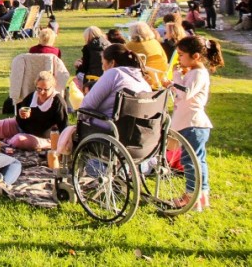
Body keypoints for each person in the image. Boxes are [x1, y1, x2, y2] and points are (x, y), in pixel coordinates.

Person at [162, 36, 223, 211]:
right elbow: (182, 92)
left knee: (191, 162)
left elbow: (186, 93)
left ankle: (191, 195)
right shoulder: (193, 72)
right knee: (196, 160)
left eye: (181, 55)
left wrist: (174, 78)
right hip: (189, 122)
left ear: (195, 56)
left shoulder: (198, 73)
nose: (179, 59)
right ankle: (200, 196)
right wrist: (175, 81)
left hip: (193, 124)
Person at [56, 44, 153, 155]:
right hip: (140, 139)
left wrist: (80, 119)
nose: (102, 68)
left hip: (112, 134)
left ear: (112, 63)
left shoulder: (114, 74)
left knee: (70, 132)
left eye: (103, 63)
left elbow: (87, 105)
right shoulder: (143, 82)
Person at [0, 72, 67, 150]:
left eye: (46, 89)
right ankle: (6, 139)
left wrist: (59, 143)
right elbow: (20, 115)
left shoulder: (58, 102)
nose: (42, 92)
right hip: (20, 127)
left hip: (40, 137)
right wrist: (21, 114)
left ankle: (6, 141)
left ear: (53, 87)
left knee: (18, 140)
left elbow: (63, 126)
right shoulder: (32, 96)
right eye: (39, 89)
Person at [126, 22, 169, 88]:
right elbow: (164, 57)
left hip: (145, 78)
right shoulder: (155, 42)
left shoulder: (130, 45)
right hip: (161, 75)